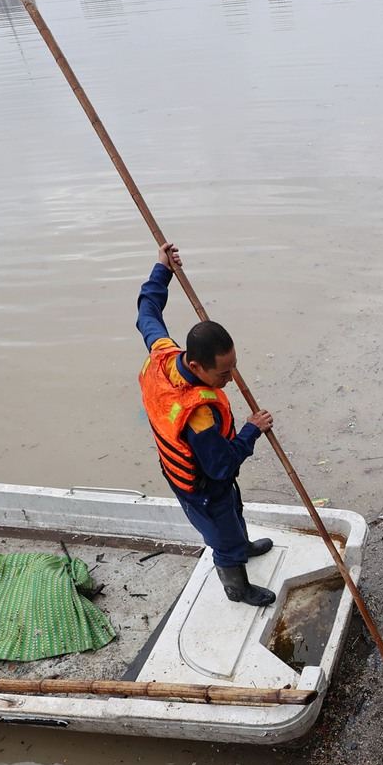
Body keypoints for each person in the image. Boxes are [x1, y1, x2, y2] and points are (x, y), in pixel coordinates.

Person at [136, 243, 279, 606]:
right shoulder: (199, 416)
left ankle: (242, 542)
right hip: (200, 485)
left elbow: (147, 311)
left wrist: (162, 269)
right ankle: (238, 588)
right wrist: (251, 429)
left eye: (234, 366)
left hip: (204, 469)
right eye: (223, 372)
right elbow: (222, 465)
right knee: (222, 533)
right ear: (198, 367)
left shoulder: (164, 353)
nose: (232, 378)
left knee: (234, 507)